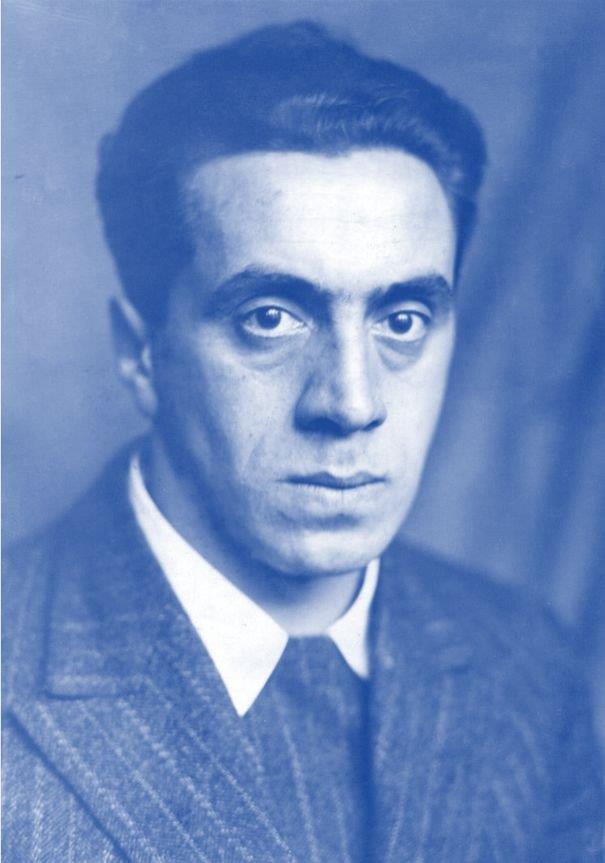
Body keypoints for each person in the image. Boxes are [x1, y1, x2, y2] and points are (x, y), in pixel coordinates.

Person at [2, 21, 603, 862]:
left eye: (402, 319)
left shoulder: (524, 661)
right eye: (270, 318)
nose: (351, 402)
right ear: (141, 354)